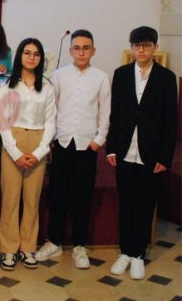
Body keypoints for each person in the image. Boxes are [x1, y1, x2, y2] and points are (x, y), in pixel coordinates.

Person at [106, 26, 178, 280]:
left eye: (146, 45)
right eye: (137, 45)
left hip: (151, 153)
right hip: (125, 150)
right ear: (132, 47)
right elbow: (115, 114)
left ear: (155, 47)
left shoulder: (167, 78)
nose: (141, 50)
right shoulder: (122, 74)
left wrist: (164, 157)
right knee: (126, 204)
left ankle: (138, 255)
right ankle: (124, 252)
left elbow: (171, 122)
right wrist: (111, 148)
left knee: (145, 205)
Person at [35, 30, 110, 269]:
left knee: (83, 197)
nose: (81, 52)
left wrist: (99, 139)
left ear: (93, 51)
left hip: (87, 145)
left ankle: (79, 246)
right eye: (77, 48)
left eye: (86, 48)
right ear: (70, 51)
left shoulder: (101, 77)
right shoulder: (58, 76)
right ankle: (54, 241)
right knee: (58, 195)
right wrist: (52, 138)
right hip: (63, 143)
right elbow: (51, 109)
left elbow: (106, 111)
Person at [0, 38, 56, 271]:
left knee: (32, 200)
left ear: (41, 59)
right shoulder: (8, 86)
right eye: (27, 53)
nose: (31, 57)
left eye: (36, 54)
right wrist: (15, 152)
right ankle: (9, 249)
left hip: (38, 142)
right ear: (20, 55)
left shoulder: (47, 87)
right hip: (13, 140)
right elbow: (2, 122)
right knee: (10, 199)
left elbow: (51, 122)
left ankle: (28, 247)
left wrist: (40, 151)